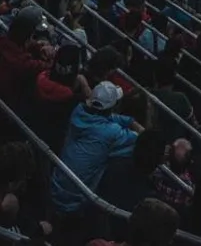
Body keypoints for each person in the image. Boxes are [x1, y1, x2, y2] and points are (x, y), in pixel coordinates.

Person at [49, 83, 138, 214]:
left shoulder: (78, 111)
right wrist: (134, 124)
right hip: (76, 202)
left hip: (55, 187)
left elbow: (106, 116)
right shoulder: (112, 131)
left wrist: (129, 120)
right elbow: (139, 139)